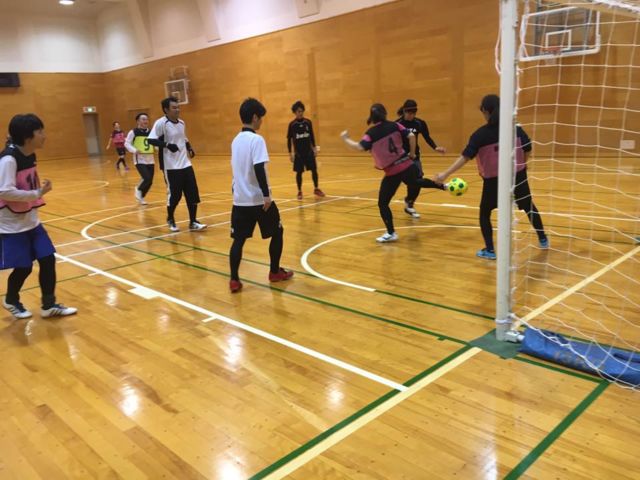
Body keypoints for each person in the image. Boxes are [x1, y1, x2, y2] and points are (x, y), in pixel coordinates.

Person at [434, 94, 548, 260]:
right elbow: (528, 147)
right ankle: (543, 239)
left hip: (494, 181)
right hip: (518, 176)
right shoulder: (514, 129)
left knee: (485, 212)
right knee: (529, 207)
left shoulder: (479, 135)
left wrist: (445, 174)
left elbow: (465, 157)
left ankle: (490, 250)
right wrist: (523, 164)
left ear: (486, 111)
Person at [0, 114, 77, 319]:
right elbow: (4, 191)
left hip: (31, 221)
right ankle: (11, 300)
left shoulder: (29, 153)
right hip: (12, 225)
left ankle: (48, 305)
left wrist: (36, 194)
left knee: (47, 258)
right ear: (28, 137)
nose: (44, 135)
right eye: (40, 131)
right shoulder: (8, 160)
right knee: (24, 267)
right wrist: (37, 193)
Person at [340, 103, 446, 243]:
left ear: (372, 117)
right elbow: (411, 136)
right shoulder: (395, 125)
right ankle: (443, 186)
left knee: (383, 203)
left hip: (392, 171)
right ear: (384, 114)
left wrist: (346, 138)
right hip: (407, 164)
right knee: (416, 182)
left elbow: (359, 147)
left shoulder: (371, 133)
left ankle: (391, 233)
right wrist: (412, 154)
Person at [229, 98, 294, 293]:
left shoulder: (235, 140)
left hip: (240, 200)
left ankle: (234, 280)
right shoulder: (257, 140)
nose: (262, 122)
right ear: (255, 117)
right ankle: (274, 272)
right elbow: (258, 168)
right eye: (261, 118)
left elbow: (236, 169)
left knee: (238, 240)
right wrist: (266, 195)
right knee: (278, 232)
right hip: (258, 200)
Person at [147, 96, 206, 232]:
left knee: (192, 193)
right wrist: (167, 145)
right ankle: (170, 219)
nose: (177, 110)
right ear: (166, 110)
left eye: (178, 107)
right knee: (175, 195)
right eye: (174, 108)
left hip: (185, 164)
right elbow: (151, 140)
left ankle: (193, 221)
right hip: (170, 166)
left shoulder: (181, 123)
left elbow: (183, 138)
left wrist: (189, 147)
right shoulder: (161, 123)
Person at [395, 99, 446, 218]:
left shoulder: (419, 123)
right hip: (402, 159)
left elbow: (427, 137)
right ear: (404, 111)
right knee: (412, 181)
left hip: (415, 156)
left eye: (413, 113)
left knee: (418, 181)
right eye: (409, 113)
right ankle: (410, 202)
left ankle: (409, 202)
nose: (411, 115)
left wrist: (435, 147)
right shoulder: (397, 124)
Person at [287, 101, 324, 199]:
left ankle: (316, 188)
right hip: (298, 153)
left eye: (302, 111)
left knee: (314, 170)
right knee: (299, 173)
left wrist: (314, 148)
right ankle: (299, 191)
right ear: (295, 112)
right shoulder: (292, 125)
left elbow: (312, 136)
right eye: (298, 111)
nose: (300, 113)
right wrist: (290, 153)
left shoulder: (308, 122)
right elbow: (289, 139)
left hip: (309, 152)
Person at [125, 113, 155, 205]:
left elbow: (154, 142)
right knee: (146, 178)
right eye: (143, 119)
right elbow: (127, 143)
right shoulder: (133, 132)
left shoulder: (151, 132)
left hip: (150, 159)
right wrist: (134, 150)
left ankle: (141, 197)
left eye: (146, 119)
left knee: (150, 181)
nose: (146, 121)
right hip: (140, 159)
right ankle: (138, 189)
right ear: (138, 121)